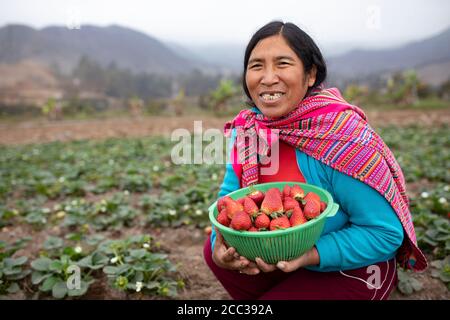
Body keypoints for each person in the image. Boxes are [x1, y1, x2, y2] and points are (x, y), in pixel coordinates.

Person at [203, 21, 427, 300]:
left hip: (354, 267)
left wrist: (310, 254)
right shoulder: (248, 130)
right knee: (214, 250)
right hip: (281, 259)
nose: (268, 77)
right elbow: (229, 199)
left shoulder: (342, 138)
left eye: (282, 64)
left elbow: (384, 233)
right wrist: (219, 246)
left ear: (310, 75)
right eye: (257, 65)